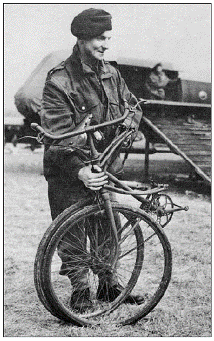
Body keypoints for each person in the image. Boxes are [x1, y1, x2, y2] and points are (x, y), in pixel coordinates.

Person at [40, 8, 144, 312]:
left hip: (106, 168)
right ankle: (80, 290)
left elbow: (132, 107)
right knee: (72, 230)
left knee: (106, 223)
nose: (105, 44)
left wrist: (130, 126)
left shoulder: (112, 73)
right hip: (70, 171)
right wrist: (80, 169)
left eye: (108, 37)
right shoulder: (59, 80)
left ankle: (109, 285)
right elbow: (57, 135)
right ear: (82, 38)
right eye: (100, 38)